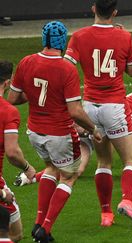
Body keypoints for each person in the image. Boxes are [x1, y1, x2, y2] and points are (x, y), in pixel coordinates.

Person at [7, 21, 102, 243]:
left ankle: (39, 223)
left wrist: (35, 94)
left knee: (51, 168)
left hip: (34, 133)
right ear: (62, 42)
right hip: (59, 134)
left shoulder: (26, 62)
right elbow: (75, 111)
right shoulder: (66, 68)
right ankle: (45, 229)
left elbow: (12, 99)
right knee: (69, 176)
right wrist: (93, 129)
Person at [64, 0, 132, 227]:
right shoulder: (124, 36)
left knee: (103, 161)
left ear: (93, 9)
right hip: (115, 106)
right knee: (131, 159)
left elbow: (66, 68)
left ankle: (106, 214)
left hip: (89, 107)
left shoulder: (79, 36)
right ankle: (127, 200)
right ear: (115, 12)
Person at [0, 60, 37, 242]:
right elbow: (12, 153)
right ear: (7, 83)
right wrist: (27, 168)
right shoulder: (7, 111)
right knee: (15, 234)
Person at [13, 123, 94, 186]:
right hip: (84, 135)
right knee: (76, 171)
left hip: (96, 130)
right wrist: (87, 132)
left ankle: (32, 178)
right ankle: (31, 178)